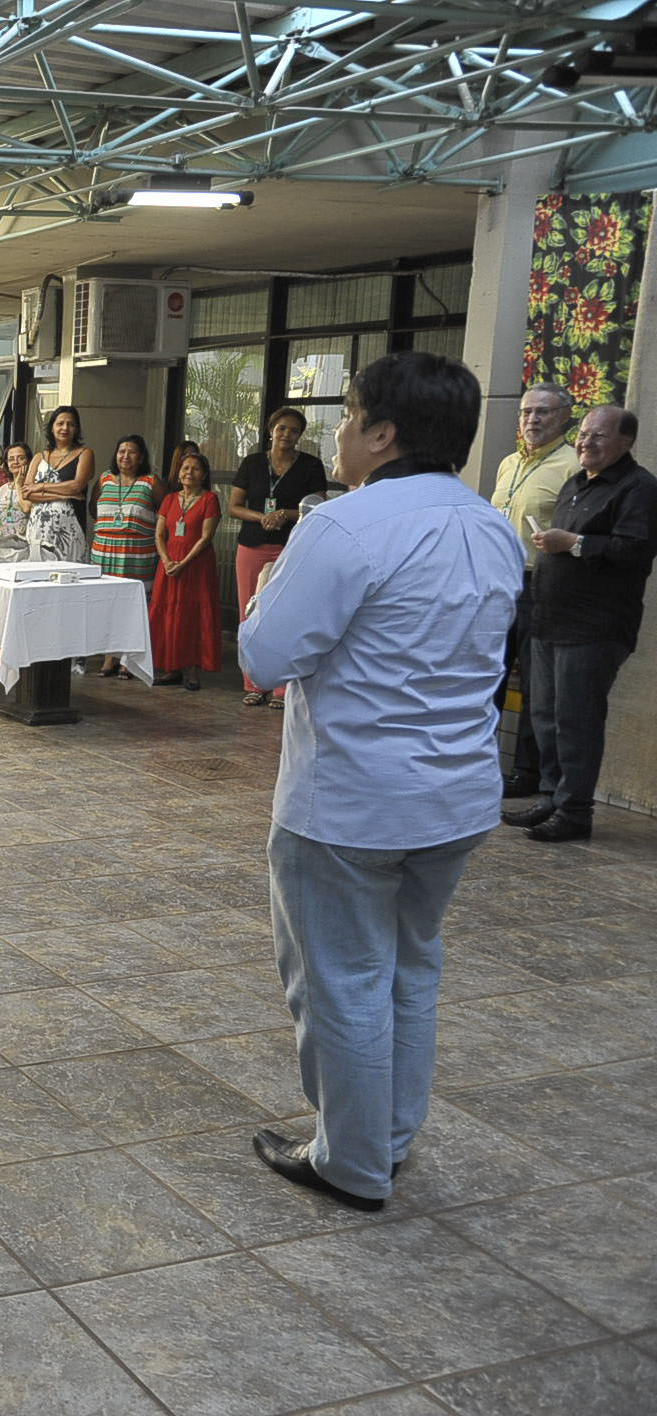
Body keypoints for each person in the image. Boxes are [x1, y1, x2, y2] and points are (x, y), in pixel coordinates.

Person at [238, 350, 522, 1213]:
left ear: (384, 434)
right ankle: (388, 1137)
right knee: (408, 969)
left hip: (351, 803)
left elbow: (265, 656)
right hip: (455, 794)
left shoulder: (345, 525)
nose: (337, 433)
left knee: (341, 980)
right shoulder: (490, 525)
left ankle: (353, 1163)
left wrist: (267, 593)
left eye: (350, 416)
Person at [506, 405, 657, 842]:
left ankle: (574, 811)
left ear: (626, 441)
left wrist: (573, 543)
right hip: (549, 619)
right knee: (545, 716)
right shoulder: (576, 482)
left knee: (576, 721)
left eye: (598, 436)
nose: (585, 443)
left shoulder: (639, 488)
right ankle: (551, 798)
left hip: (593, 627)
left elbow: (635, 549)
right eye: (583, 434)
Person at [490, 383, 579, 798]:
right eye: (527, 412)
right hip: (498, 583)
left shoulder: (572, 465)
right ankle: (478, 761)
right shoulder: (508, 463)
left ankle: (526, 771)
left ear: (565, 416)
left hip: (538, 583)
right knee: (488, 674)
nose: (532, 419)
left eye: (543, 412)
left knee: (534, 684)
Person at [229, 406, 328, 708]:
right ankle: (254, 683)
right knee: (250, 613)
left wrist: (285, 514)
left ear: (300, 435)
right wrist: (262, 517)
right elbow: (234, 506)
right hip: (252, 545)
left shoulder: (310, 465)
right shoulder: (252, 463)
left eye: (294, 430)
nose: (287, 434)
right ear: (270, 430)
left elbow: (318, 507)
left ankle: (283, 688)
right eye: (282, 428)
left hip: (291, 546)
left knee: (287, 613)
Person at [90, 433, 162, 677]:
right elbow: (93, 509)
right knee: (107, 606)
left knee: (133, 608)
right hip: (104, 555)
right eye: (122, 451)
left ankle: (129, 659)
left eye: (132, 452)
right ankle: (109, 656)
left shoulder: (150, 482)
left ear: (141, 457)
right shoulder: (104, 479)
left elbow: (165, 515)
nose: (126, 456)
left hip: (137, 557)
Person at [149, 450, 222, 690]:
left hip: (196, 565)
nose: (189, 472)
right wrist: (166, 560)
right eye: (185, 468)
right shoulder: (169, 499)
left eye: (196, 469)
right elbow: (159, 534)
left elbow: (206, 537)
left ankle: (192, 670)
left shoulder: (210, 499)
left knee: (192, 616)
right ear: (178, 473)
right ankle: (171, 667)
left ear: (204, 475)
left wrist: (183, 563)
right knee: (169, 613)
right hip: (169, 565)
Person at [25, 406, 92, 564]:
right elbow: (27, 492)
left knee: (69, 573)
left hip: (69, 532)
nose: (65, 428)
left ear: (76, 429)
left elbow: (76, 486)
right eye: (60, 423)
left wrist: (41, 486)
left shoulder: (84, 454)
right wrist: (63, 494)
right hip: (38, 529)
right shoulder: (39, 457)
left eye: (71, 424)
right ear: (52, 427)